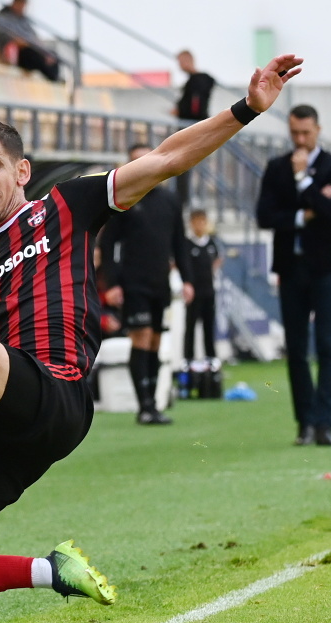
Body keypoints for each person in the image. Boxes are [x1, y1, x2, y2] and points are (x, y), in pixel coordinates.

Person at [0, 54, 303, 605]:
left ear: (21, 171)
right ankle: (55, 571)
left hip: (58, 392)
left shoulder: (66, 206)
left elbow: (164, 159)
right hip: (3, 432)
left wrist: (245, 110)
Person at [256, 104, 331, 447]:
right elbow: (264, 216)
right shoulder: (276, 167)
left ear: (317, 130)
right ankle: (305, 422)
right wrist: (300, 215)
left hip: (326, 268)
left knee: (327, 344)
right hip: (291, 267)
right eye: (294, 133)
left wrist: (304, 180)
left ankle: (325, 423)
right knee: (296, 348)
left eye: (306, 133)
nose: (300, 139)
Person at [98, 144, 194, 425]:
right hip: (133, 283)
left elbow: (179, 243)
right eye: (135, 163)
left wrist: (187, 279)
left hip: (160, 283)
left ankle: (153, 403)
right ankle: (144, 406)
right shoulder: (124, 201)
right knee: (141, 337)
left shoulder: (170, 201)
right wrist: (111, 283)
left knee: (155, 340)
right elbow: (107, 244)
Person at [172, 49, 216, 205]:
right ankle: (185, 199)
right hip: (194, 127)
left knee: (183, 164)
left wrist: (184, 112)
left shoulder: (197, 81)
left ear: (187, 60)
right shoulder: (198, 80)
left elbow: (195, 106)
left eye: (180, 61)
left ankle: (184, 200)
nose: (179, 66)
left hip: (192, 128)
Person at [182, 209, 222, 365]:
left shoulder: (211, 244)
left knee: (209, 326)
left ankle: (211, 358)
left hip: (208, 291)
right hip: (193, 293)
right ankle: (188, 359)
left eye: (202, 221)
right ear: (191, 224)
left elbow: (216, 261)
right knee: (191, 327)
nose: (199, 225)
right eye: (196, 221)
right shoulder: (187, 244)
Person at [0, 0, 60, 82]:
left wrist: (44, 52)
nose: (23, 7)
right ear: (15, 3)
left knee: (52, 54)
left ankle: (55, 79)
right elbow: (9, 39)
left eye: (24, 4)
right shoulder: (4, 16)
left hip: (28, 49)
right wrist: (27, 43)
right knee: (35, 56)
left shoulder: (23, 19)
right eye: (21, 3)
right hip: (15, 53)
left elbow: (34, 38)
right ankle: (54, 79)